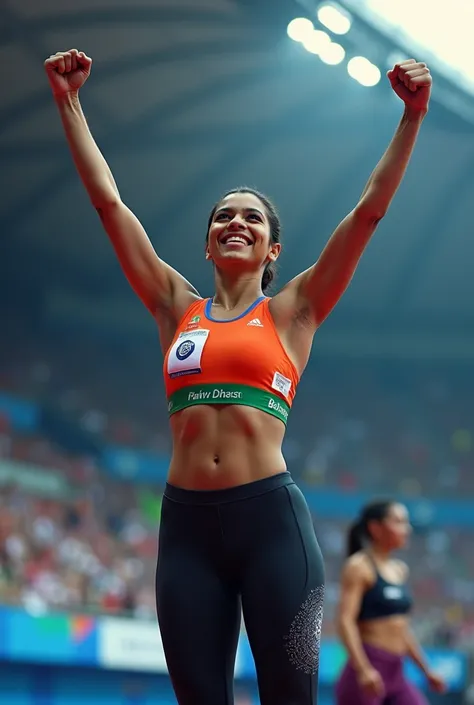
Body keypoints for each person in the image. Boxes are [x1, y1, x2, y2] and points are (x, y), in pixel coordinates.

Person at [44, 48, 432, 705]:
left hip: (270, 524)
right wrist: (68, 102)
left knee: (291, 695)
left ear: (272, 249)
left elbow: (368, 212)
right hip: (186, 529)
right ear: (207, 243)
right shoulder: (175, 305)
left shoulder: (295, 309)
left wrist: (412, 117)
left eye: (251, 216)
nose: (236, 222)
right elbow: (110, 205)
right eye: (223, 214)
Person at [335, 500, 446, 705]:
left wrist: (426, 671)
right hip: (368, 671)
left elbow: (401, 629)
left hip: (396, 672)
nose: (407, 529)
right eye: (399, 522)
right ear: (375, 528)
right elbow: (345, 621)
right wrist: (363, 669)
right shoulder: (359, 567)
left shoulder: (399, 569)